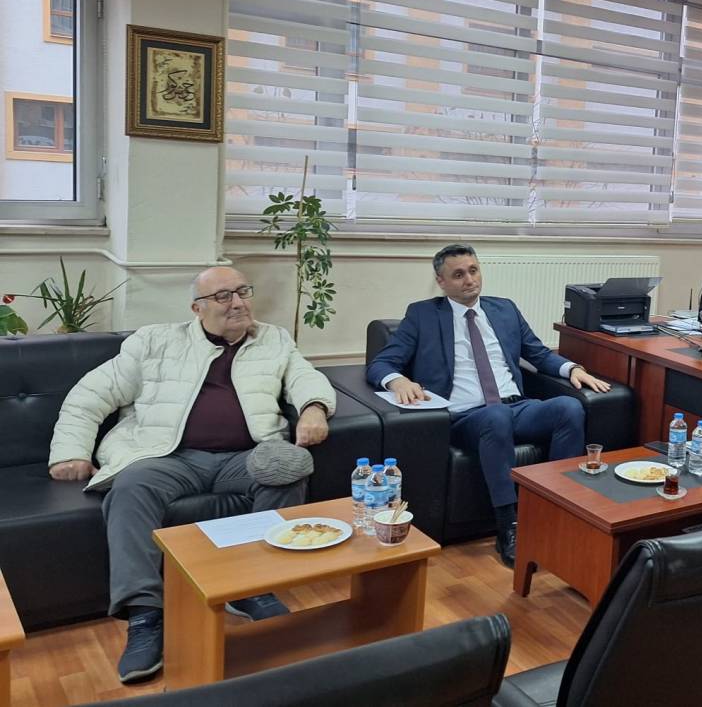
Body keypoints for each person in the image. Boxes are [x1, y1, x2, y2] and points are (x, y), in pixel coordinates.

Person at [47, 267, 335, 684]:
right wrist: (70, 453)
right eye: (223, 296)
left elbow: (305, 377)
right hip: (167, 456)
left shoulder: (274, 339)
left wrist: (314, 408)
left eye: (242, 292)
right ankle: (145, 616)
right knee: (130, 487)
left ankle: (254, 586)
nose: (237, 303)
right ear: (197, 308)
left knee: (285, 469)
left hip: (244, 456)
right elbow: (90, 396)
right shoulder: (154, 341)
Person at [366, 244, 612, 569]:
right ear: (441, 282)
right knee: (495, 417)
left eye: (473, 270)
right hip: (464, 417)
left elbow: (538, 353)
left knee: (568, 407)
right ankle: (508, 525)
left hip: (517, 407)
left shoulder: (504, 309)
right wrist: (398, 381)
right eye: (458, 274)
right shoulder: (422, 315)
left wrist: (572, 369)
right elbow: (381, 363)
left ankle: (556, 511)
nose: (469, 279)